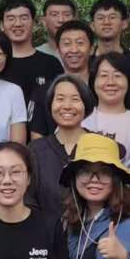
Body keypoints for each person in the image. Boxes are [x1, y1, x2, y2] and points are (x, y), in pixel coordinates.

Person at [28, 74, 92, 215]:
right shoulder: (35, 150)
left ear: (86, 105)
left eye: (75, 99)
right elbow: (28, 199)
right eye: (60, 99)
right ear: (50, 105)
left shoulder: (100, 145)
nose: (67, 106)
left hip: (93, 227)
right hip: (45, 227)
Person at [27, 19, 95, 136]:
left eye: (80, 43)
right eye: (67, 44)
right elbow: (37, 139)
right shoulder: (43, 92)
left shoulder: (104, 89)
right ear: (58, 50)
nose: (74, 50)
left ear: (92, 49)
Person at [83, 50, 130, 159]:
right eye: (103, 75)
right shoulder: (81, 123)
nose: (110, 82)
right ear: (93, 82)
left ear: (128, 81)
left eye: (117, 75)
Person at [0, 0, 63, 113]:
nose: (18, 24)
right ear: (2, 25)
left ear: (33, 23)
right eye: (11, 18)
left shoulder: (51, 63)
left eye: (24, 18)